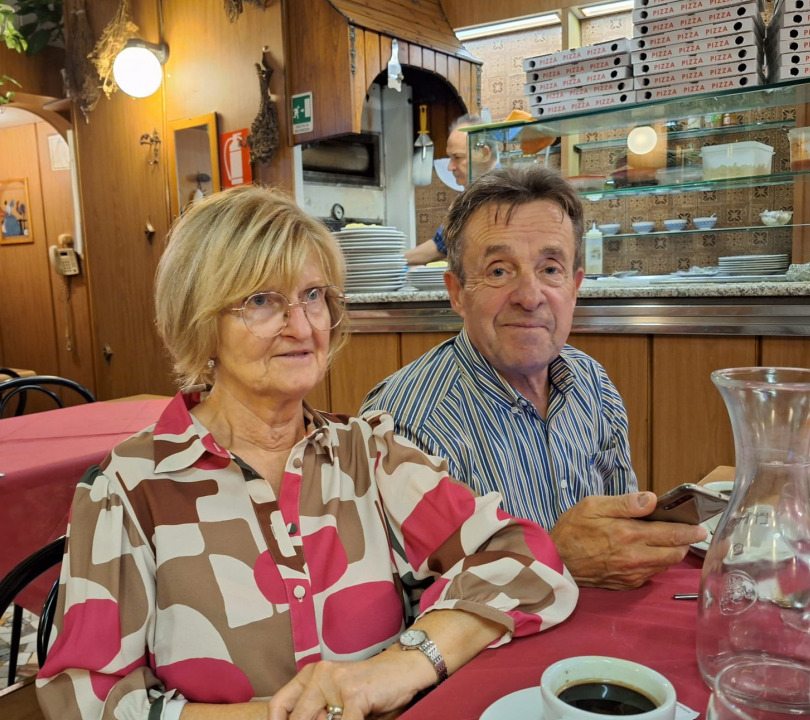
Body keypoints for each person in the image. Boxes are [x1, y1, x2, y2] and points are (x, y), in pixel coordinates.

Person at [36, 185, 577, 720]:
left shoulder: (368, 455)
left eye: (313, 296)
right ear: (200, 319)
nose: (301, 326)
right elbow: (85, 699)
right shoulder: (131, 488)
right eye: (261, 300)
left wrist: (399, 668)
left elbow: (525, 557)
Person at [363, 166, 708, 590]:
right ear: (456, 292)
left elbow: (619, 531)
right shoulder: (403, 424)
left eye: (550, 269)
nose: (529, 297)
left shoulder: (592, 383)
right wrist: (553, 559)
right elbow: (408, 604)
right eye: (498, 271)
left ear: (575, 287)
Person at [403, 113, 497, 266]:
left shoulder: (507, 194)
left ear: (484, 154)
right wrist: (390, 260)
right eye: (450, 158)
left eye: (457, 157)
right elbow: (440, 245)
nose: (450, 167)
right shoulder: (466, 200)